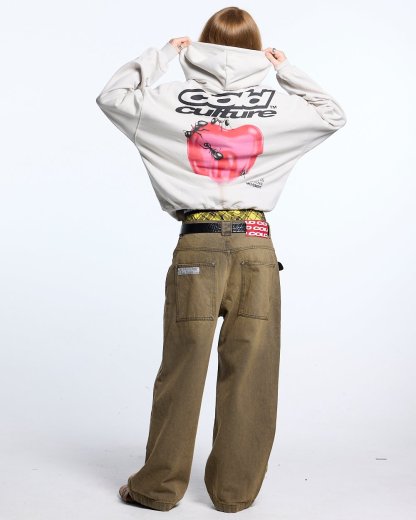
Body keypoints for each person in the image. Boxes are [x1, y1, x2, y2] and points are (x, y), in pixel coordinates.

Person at [96, 6, 347, 514]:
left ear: (202, 43)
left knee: (182, 367)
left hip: (199, 244)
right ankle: (234, 494)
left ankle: (157, 489)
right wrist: (284, 69)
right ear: (257, 47)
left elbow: (113, 96)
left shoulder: (167, 100)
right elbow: (332, 114)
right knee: (253, 371)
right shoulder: (278, 105)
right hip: (256, 246)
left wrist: (164, 55)